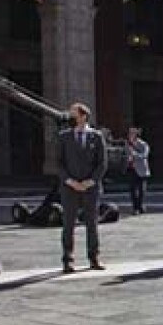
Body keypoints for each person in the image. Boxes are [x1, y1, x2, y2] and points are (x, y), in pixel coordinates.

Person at [56, 102, 108, 273]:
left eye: (74, 114)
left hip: (90, 188)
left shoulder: (97, 136)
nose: (71, 117)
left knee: (92, 223)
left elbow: (102, 163)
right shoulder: (64, 137)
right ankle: (67, 260)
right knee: (68, 224)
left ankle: (94, 257)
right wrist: (70, 181)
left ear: (83, 116)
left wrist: (91, 181)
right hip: (69, 187)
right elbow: (59, 163)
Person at [125, 126, 150, 215]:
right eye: (129, 133)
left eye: (132, 133)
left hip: (141, 170)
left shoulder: (143, 144)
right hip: (131, 169)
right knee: (132, 190)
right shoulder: (127, 144)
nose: (130, 135)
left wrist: (135, 155)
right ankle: (135, 208)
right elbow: (126, 154)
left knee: (141, 190)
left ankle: (140, 206)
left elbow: (144, 155)